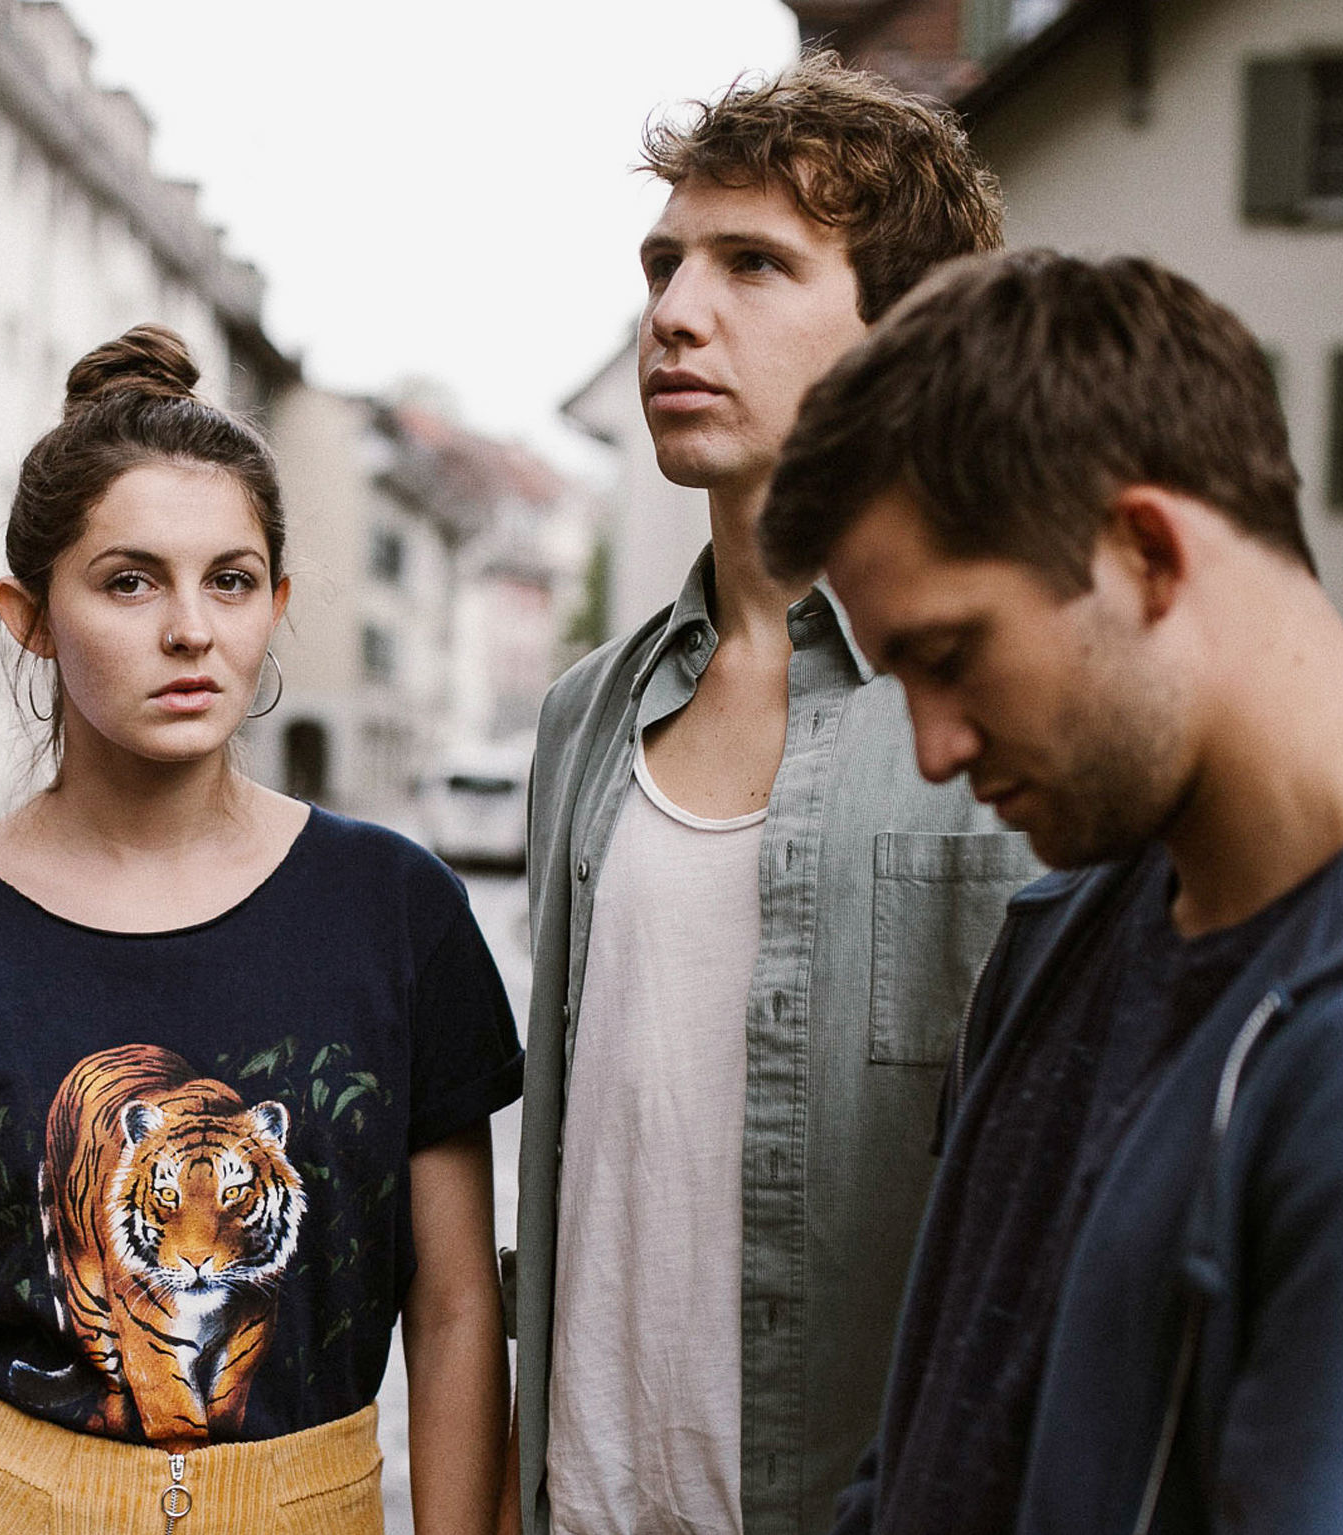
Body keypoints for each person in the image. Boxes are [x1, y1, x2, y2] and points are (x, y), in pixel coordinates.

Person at [0, 325, 524, 1534]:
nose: (189, 629)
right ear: (28, 613)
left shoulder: (395, 914)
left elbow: (451, 1316)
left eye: (228, 580)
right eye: (129, 580)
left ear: (275, 603)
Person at [761, 250, 1343, 1535]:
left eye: (950, 657)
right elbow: (929, 1451)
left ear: (1143, 550)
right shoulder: (1056, 938)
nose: (935, 748)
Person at [510, 54, 1040, 1535]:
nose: (673, 313)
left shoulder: (999, 707)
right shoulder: (582, 713)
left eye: (753, 264)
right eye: (662, 264)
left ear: (904, 334)